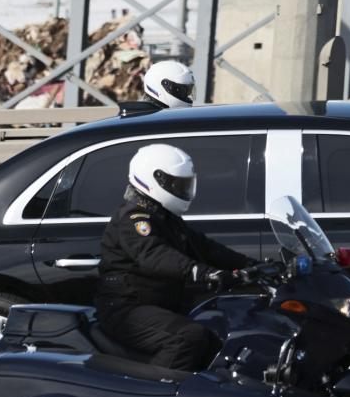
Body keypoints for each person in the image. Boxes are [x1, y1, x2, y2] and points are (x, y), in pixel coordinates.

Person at [93, 143, 254, 371]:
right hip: (126, 307)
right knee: (186, 338)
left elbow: (204, 247)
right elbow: (155, 255)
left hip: (157, 303)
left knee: (221, 326)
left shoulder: (164, 216)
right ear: (152, 179)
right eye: (176, 184)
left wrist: (250, 264)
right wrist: (203, 272)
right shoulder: (134, 218)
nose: (182, 190)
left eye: (184, 184)